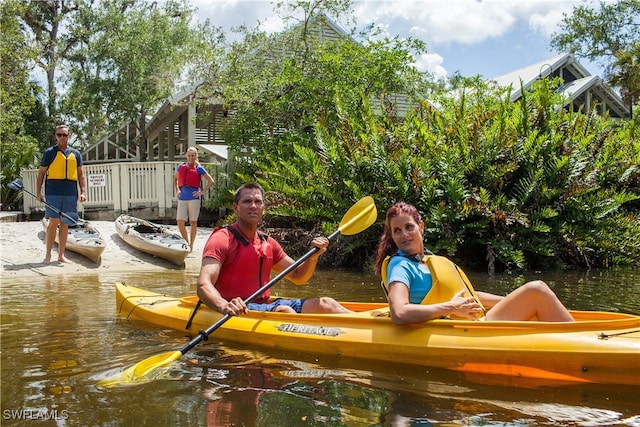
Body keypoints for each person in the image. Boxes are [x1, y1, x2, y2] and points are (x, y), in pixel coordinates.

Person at [374, 202, 574, 324]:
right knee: (536, 290)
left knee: (533, 295)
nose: (403, 235)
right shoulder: (400, 266)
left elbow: (471, 296)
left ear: (421, 227)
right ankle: (580, 342)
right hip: (469, 327)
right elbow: (399, 313)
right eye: (397, 230)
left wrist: (510, 300)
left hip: (473, 320)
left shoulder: (427, 261)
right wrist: (450, 308)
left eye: (409, 227)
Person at [197, 182, 351, 315]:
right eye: (247, 201)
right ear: (236, 208)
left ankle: (369, 321)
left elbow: (299, 277)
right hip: (236, 306)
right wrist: (223, 306)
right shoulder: (222, 239)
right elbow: (204, 284)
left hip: (264, 305)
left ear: (263, 208)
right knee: (285, 311)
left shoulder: (267, 242)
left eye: (258, 202)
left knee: (326, 303)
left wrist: (313, 256)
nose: (253, 206)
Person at [36, 125, 86, 264]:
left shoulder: (76, 154)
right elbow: (41, 174)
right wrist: (38, 193)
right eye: (59, 135)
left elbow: (81, 175)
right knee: (53, 222)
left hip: (70, 193)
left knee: (65, 223)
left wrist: (83, 192)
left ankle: (61, 256)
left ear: (69, 136)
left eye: (64, 135)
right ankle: (48, 256)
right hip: (53, 192)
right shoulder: (49, 153)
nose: (62, 137)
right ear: (55, 136)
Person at [173, 147, 214, 252]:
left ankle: (191, 245)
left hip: (194, 198)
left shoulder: (199, 168)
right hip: (182, 198)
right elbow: (175, 178)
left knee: (193, 222)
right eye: (189, 155)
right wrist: (177, 190)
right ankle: (186, 242)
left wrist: (202, 192)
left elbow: (211, 181)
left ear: (196, 156)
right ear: (186, 156)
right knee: (180, 221)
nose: (191, 157)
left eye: (193, 155)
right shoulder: (181, 167)